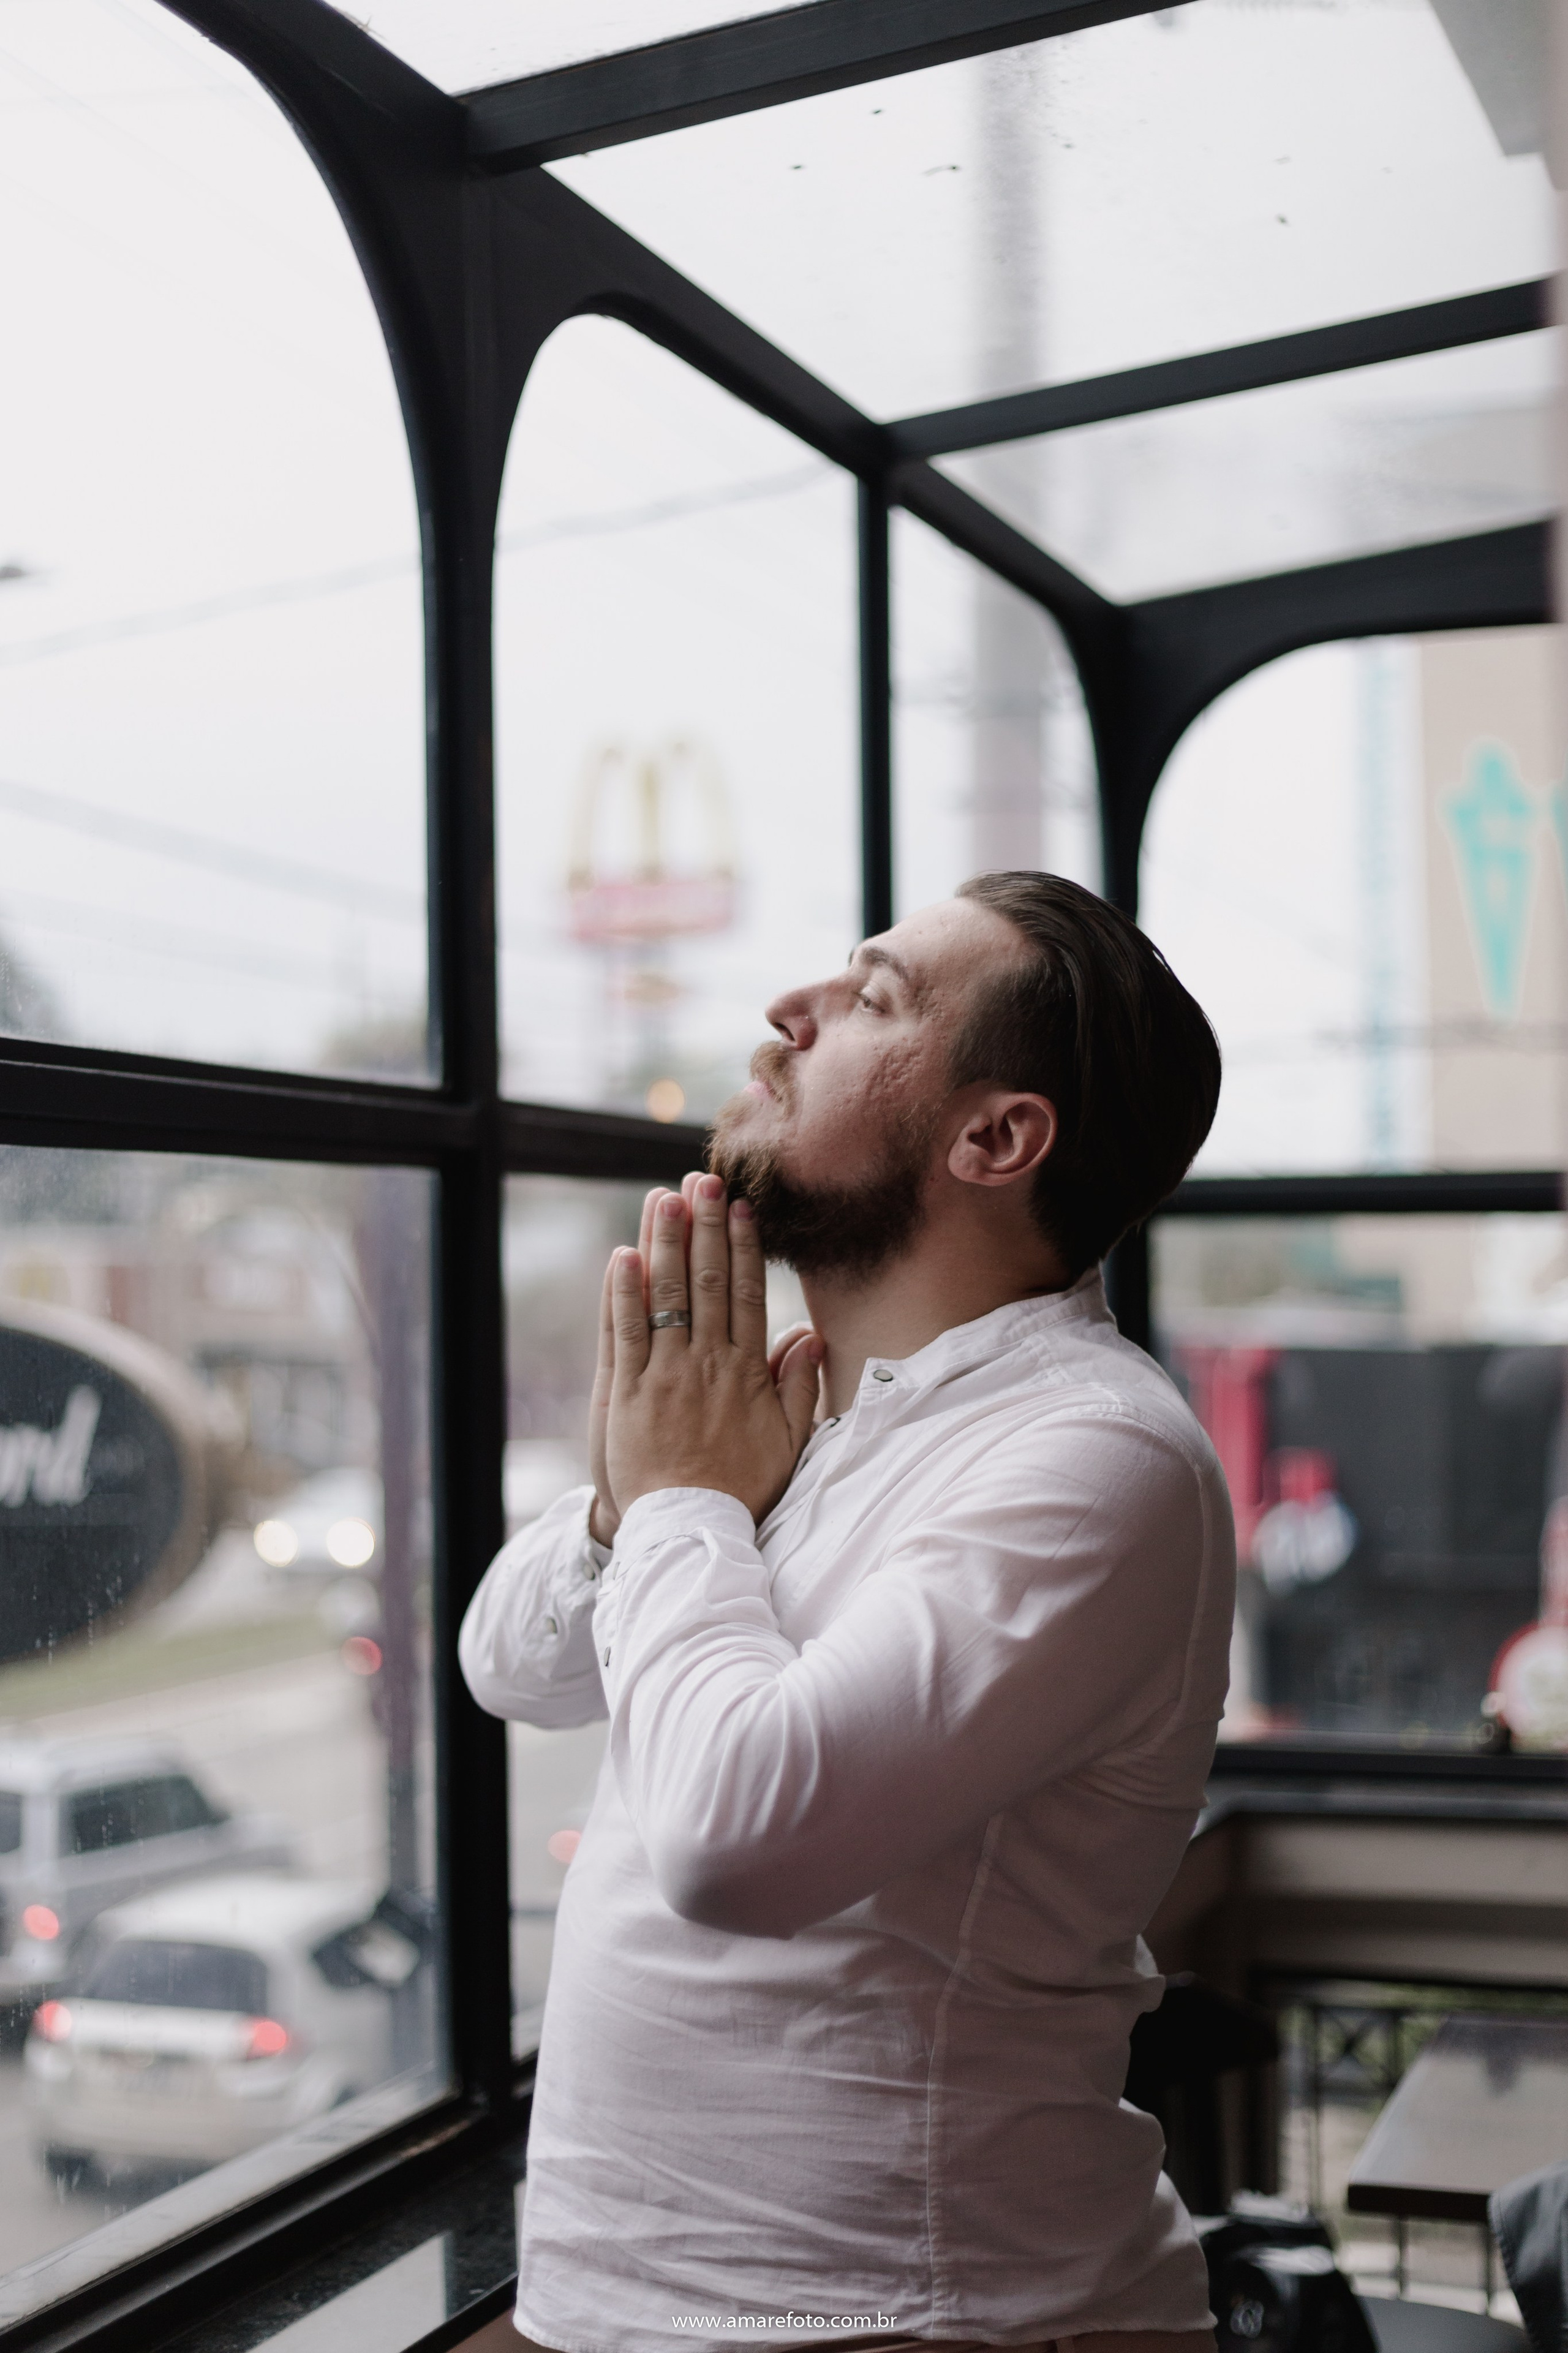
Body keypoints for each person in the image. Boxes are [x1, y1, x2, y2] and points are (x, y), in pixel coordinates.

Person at [460, 872, 1235, 2353]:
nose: (786, 1011)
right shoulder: (804, 1412)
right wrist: (644, 1502)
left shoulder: (1091, 1455)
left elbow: (735, 1841)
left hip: (927, 2315)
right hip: (635, 2307)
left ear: (995, 1136)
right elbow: (509, 1663)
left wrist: (685, 1497)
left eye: (872, 998)